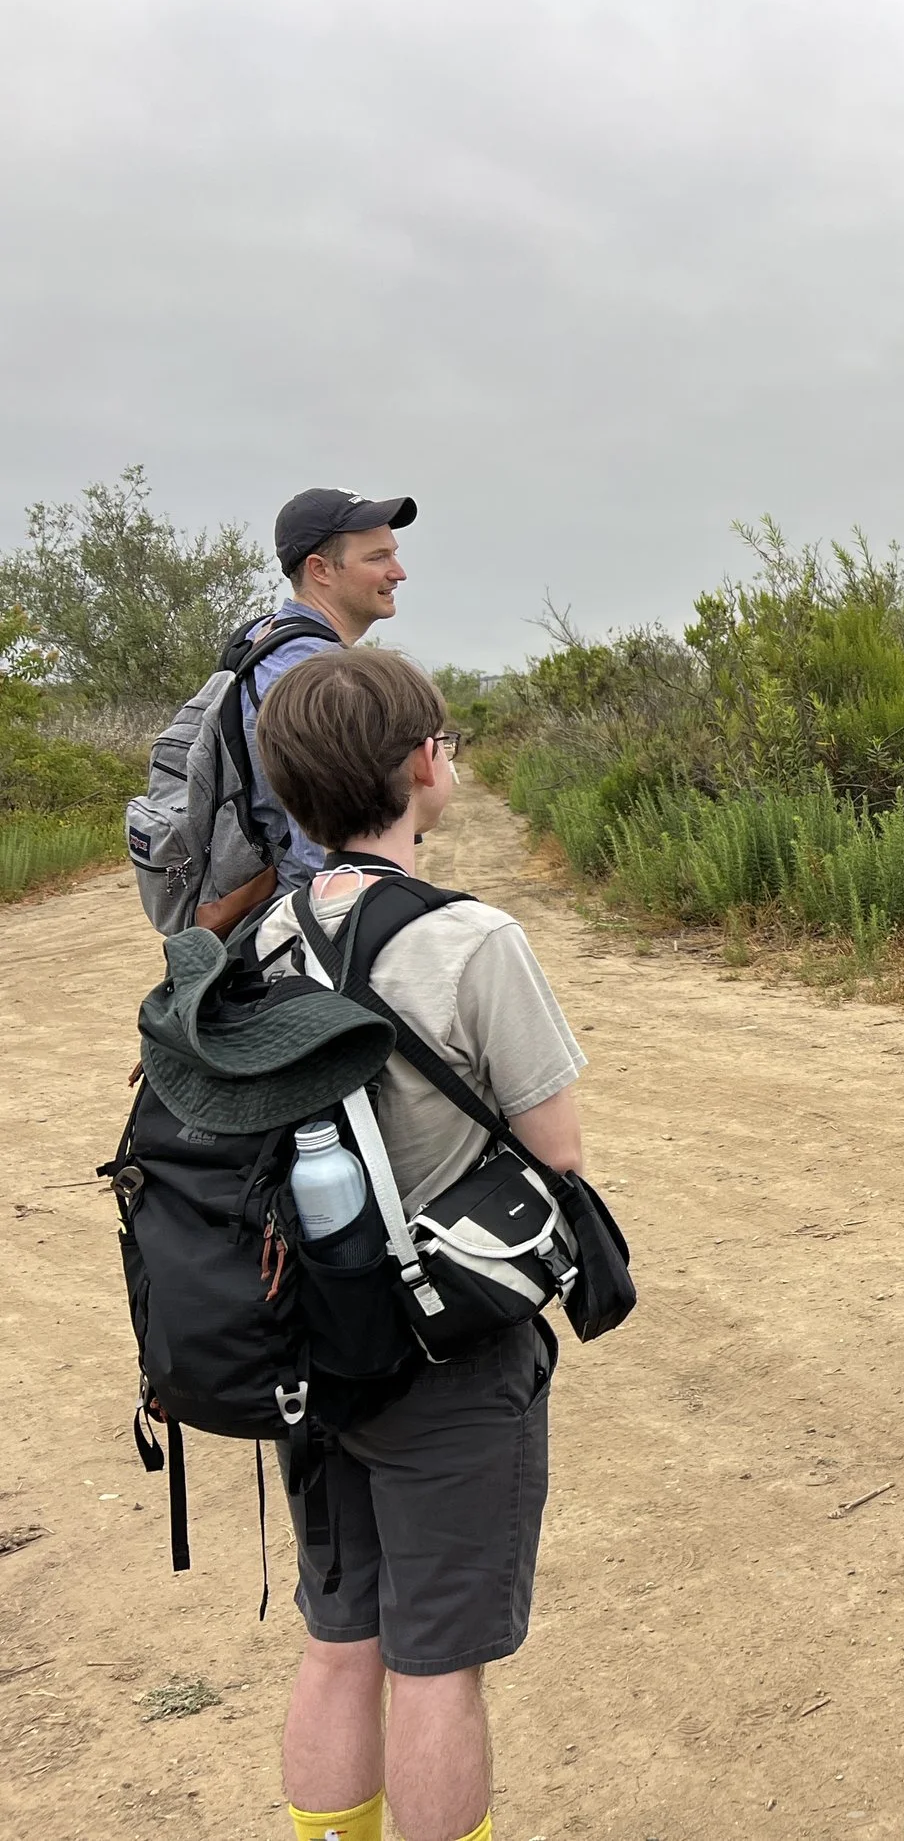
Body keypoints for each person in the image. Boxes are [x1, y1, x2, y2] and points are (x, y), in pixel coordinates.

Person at [251, 647, 585, 1841]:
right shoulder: (469, 941)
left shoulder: (263, 943)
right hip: (447, 1354)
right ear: (423, 764)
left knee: (343, 1642)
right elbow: (558, 1151)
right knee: (437, 1668)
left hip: (309, 1350)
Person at [198, 489, 417, 937]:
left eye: (394, 555)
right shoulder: (316, 673)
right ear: (320, 569)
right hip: (305, 926)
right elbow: (323, 843)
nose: (398, 572)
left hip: (276, 914)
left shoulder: (262, 637)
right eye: (377, 558)